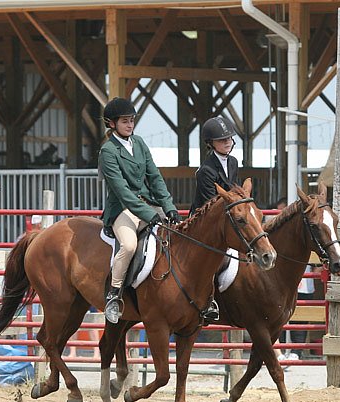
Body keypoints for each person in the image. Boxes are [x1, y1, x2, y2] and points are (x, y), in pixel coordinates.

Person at [99, 97, 179, 324]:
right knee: (129, 245)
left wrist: (169, 207)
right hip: (123, 209)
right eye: (125, 121)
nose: (130, 125)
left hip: (149, 204)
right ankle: (114, 296)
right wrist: (148, 214)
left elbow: (155, 177)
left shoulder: (140, 143)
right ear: (112, 123)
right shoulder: (108, 151)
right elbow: (122, 191)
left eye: (132, 120)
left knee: (177, 236)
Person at [189, 116, 239, 216]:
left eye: (229, 138)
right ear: (210, 143)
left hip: (227, 212)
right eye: (221, 140)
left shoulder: (233, 162)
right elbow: (210, 203)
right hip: (205, 216)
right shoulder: (206, 170)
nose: (227, 142)